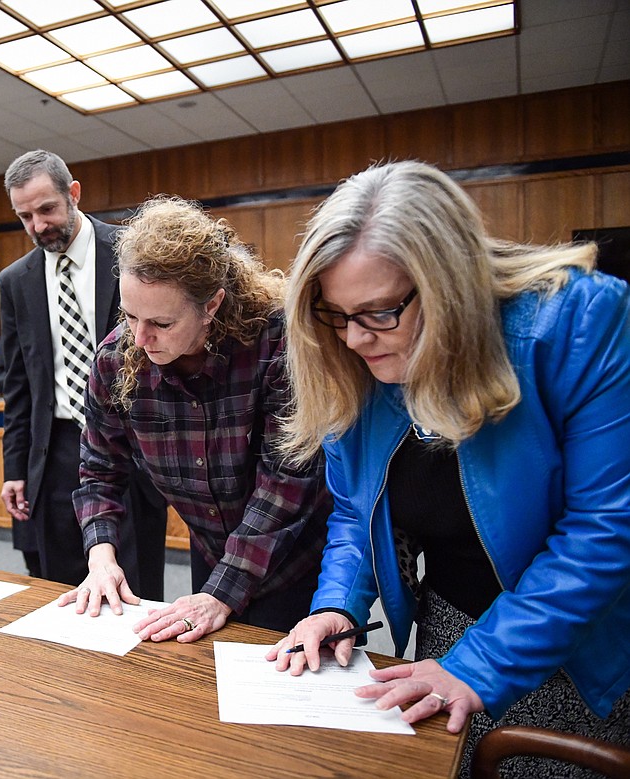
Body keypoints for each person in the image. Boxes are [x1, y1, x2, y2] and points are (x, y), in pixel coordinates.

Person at [267, 161, 630, 777]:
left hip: (579, 645)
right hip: (452, 627)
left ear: (449, 286)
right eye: (338, 314)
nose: (355, 339)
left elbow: (604, 529)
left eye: (380, 312)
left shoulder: (577, 321)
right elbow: (358, 510)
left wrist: (479, 665)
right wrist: (338, 604)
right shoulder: (355, 359)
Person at [58, 196, 331, 642]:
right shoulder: (116, 359)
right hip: (210, 549)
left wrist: (221, 594)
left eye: (162, 324)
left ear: (212, 304)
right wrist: (101, 555)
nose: (141, 339)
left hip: (295, 560)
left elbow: (286, 482)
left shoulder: (277, 343)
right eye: (130, 316)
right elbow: (99, 470)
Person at [0, 149, 168, 597]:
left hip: (129, 448)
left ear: (74, 193)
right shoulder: (15, 281)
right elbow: (17, 385)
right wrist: (14, 467)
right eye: (25, 216)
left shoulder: (134, 251)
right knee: (59, 586)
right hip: (54, 451)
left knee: (135, 587)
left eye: (47, 209)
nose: (38, 226)